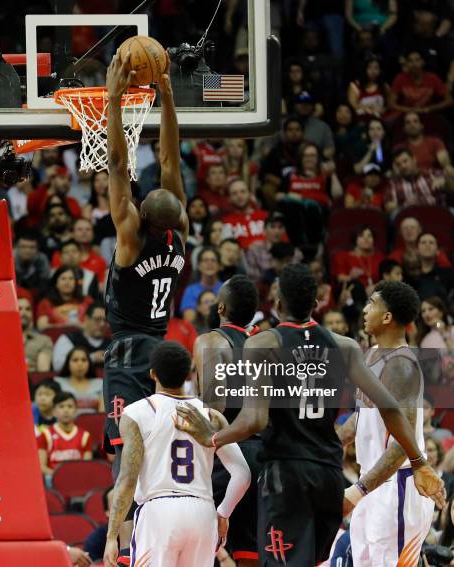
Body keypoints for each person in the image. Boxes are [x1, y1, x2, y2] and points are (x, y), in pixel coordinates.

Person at [175, 264, 445, 566]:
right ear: (316, 303)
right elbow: (385, 410)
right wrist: (420, 461)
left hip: (288, 472)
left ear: (277, 304)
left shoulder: (264, 343)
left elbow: (255, 421)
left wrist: (211, 437)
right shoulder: (346, 346)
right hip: (328, 473)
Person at [103, 49, 189, 562]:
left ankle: (120, 541)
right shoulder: (181, 235)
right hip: (160, 350)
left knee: (124, 449)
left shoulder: (131, 237)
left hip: (127, 354)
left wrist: (114, 98)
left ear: (139, 213)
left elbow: (115, 162)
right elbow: (173, 159)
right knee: (156, 450)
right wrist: (169, 97)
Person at [103, 341, 251, 567]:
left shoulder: (136, 413)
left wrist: (112, 535)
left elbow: (127, 479)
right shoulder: (211, 415)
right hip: (202, 512)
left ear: (152, 374)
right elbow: (243, 474)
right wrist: (223, 513)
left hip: (158, 512)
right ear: (189, 372)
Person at [336, 281, 436, 565]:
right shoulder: (371, 356)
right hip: (372, 481)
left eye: (371, 304)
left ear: (388, 317)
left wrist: (357, 491)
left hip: (396, 487)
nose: (365, 310)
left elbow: (402, 445)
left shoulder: (401, 365)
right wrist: (326, 445)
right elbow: (361, 418)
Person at [193, 275, 261, 567]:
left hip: (227, 454)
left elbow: (213, 408)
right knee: (250, 551)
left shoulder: (211, 341)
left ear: (220, 308)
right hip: (262, 453)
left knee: (203, 543)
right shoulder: (263, 345)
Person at [36, 391, 93, 477]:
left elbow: (86, 466)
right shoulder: (45, 435)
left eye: (70, 406)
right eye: (61, 406)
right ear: (54, 412)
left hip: (78, 478)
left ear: (76, 411)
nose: (66, 410)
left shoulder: (85, 436)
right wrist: (59, 477)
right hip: (53, 479)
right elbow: (41, 466)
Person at [385, 148, 451, 212]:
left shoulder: (432, 174)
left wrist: (446, 181)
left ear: (414, 160)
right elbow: (389, 208)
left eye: (405, 161)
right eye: (398, 164)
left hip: (437, 213)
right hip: (410, 216)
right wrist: (402, 205)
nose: (403, 166)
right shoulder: (393, 184)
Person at [55, 346, 104, 413]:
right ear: (68, 363)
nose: (80, 364)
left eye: (84, 360)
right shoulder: (57, 383)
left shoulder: (100, 384)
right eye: (75, 360)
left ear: (89, 363)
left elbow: (103, 413)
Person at [180, 247, 223, 322]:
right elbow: (189, 322)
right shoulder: (190, 291)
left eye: (213, 260)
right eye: (205, 260)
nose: (209, 263)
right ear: (199, 266)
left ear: (219, 266)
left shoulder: (225, 289)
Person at [19, 296, 53, 372]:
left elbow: (43, 372)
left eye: (28, 309)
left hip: (33, 381)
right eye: (19, 309)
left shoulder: (44, 340)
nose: (24, 313)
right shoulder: (2, 340)